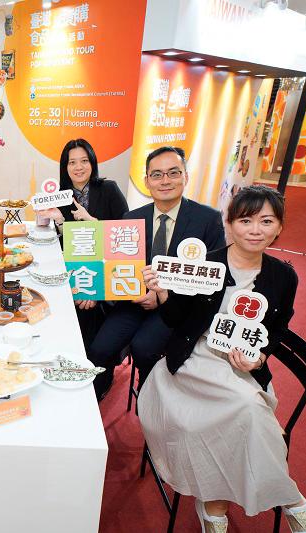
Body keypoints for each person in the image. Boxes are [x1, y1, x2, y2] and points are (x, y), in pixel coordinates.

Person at [140, 185, 306, 533]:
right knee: (249, 412)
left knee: (242, 413)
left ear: (280, 226)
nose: (256, 230)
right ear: (229, 224)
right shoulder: (204, 265)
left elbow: (279, 326)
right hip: (193, 360)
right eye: (246, 220)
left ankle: (212, 507)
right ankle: (294, 502)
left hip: (242, 367)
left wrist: (260, 359)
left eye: (266, 221)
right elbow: (176, 320)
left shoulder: (283, 276)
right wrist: (165, 293)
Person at [87, 146, 225, 400]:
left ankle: (152, 400)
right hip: (134, 302)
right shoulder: (131, 218)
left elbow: (212, 279)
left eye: (173, 173)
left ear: (186, 176)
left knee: (144, 350)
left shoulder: (208, 219)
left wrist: (163, 295)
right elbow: (118, 267)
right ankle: (102, 386)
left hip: (176, 308)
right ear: (147, 180)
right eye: (157, 174)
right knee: (98, 349)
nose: (165, 181)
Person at [37, 138, 129, 348]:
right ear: (65, 166)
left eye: (84, 161)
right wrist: (59, 222)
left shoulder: (109, 189)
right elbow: (64, 248)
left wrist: (92, 222)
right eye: (72, 162)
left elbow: (126, 236)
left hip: (107, 277)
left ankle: (101, 376)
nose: (78, 167)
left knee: (96, 341)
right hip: (75, 276)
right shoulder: (59, 197)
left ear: (92, 163)